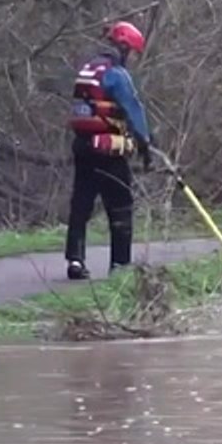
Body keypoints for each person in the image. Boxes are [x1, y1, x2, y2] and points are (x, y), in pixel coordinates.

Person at [63, 21, 156, 280]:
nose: (134, 59)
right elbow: (133, 108)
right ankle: (120, 266)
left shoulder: (88, 68)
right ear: (125, 47)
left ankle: (75, 260)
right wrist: (145, 143)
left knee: (81, 203)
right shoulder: (116, 74)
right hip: (107, 150)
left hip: (82, 146)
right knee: (121, 205)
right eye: (135, 53)